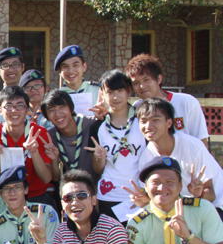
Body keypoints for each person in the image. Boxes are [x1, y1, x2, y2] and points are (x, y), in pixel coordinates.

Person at [135, 99, 223, 215]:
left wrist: (199, 194)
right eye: (143, 121)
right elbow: (153, 198)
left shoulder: (192, 146)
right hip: (179, 210)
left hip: (214, 207)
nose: (148, 126)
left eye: (155, 120)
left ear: (169, 123)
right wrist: (144, 200)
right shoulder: (146, 157)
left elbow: (211, 195)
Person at [0, 86, 54, 207]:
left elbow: (46, 178)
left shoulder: (40, 133)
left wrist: (34, 152)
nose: (14, 110)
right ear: (0, 110)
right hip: (7, 196)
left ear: (27, 110)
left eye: (20, 105)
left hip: (37, 195)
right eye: (8, 106)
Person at [94, 70, 147, 220]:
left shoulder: (143, 121)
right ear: (102, 94)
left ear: (128, 91)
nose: (115, 97)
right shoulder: (97, 126)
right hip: (108, 195)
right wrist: (99, 159)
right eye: (110, 92)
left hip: (139, 194)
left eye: (119, 91)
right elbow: (97, 169)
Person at [125, 53, 209, 143]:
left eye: (146, 80)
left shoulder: (186, 102)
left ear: (159, 79)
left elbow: (202, 140)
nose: (142, 86)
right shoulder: (136, 108)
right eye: (136, 83)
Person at [41, 90, 103, 182]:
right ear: (46, 116)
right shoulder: (50, 137)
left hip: (98, 187)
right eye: (51, 110)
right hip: (69, 188)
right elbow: (56, 178)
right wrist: (55, 160)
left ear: (71, 108)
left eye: (61, 107)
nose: (57, 114)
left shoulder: (92, 126)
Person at [55, 45, 100, 117]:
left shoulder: (98, 91)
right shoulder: (56, 97)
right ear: (60, 72)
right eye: (65, 66)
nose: (71, 71)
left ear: (84, 67)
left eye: (75, 65)